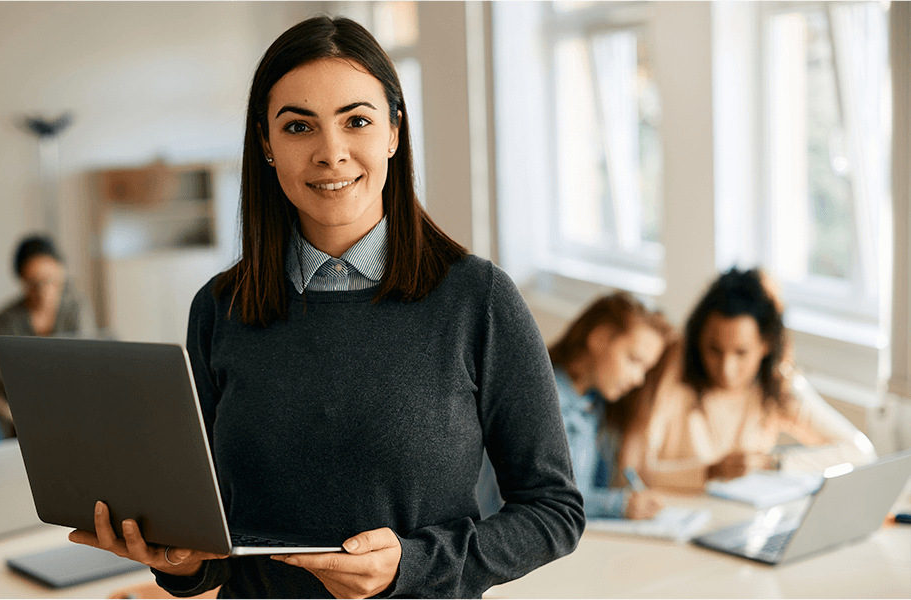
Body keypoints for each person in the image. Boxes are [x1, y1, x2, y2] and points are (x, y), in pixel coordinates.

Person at [69, 15, 585, 600]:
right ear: (266, 144)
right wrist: (180, 561)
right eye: (298, 127)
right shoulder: (220, 308)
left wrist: (410, 566)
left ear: (393, 132)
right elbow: (210, 541)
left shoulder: (478, 300)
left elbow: (554, 510)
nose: (331, 154)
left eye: (357, 121)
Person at [622, 267, 878, 492]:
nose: (726, 369)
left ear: (766, 345)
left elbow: (860, 454)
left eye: (741, 353)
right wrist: (709, 472)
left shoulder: (776, 383)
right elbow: (631, 472)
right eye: (714, 350)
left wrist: (772, 464)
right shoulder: (674, 365)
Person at [548, 293, 672, 520]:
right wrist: (619, 505)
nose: (639, 379)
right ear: (600, 338)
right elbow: (545, 500)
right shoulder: (541, 401)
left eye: (646, 369)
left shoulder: (593, 405)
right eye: (634, 360)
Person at [0, 233, 89, 436]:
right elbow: (6, 382)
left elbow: (86, 366)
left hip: (73, 407)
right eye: (33, 283)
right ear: (21, 280)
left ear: (61, 273)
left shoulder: (77, 308)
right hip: (21, 415)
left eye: (51, 281)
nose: (44, 291)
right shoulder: (5, 320)